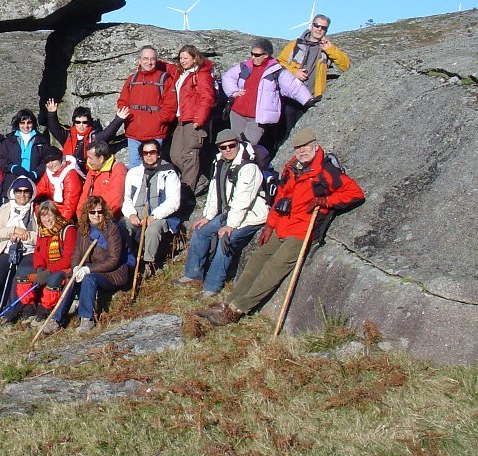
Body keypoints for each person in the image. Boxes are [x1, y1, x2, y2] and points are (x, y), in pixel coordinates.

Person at [197, 130, 365, 326]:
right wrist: (270, 225)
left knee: (273, 269)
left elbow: (355, 193)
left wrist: (326, 200)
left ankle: (238, 309)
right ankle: (228, 302)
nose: (302, 151)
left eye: (306, 147)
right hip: (283, 226)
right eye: (298, 148)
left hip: (303, 233)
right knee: (256, 261)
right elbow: (281, 198)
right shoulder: (292, 168)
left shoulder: (326, 171)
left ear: (315, 146)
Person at [175, 129, 267, 298]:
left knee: (226, 239)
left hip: (251, 216)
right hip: (230, 212)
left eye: (232, 145)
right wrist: (208, 217)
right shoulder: (220, 163)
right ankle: (193, 273)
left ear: (238, 144)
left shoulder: (249, 167)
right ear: (219, 149)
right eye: (223, 147)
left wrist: (230, 225)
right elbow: (214, 191)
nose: (228, 150)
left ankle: (212, 285)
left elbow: (243, 200)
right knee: (201, 231)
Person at [43, 195, 127, 334]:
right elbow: (76, 253)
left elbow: (114, 259)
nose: (96, 215)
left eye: (100, 212)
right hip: (88, 269)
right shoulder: (83, 229)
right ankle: (56, 320)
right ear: (87, 213)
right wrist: (76, 267)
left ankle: (87, 319)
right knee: (71, 279)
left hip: (110, 274)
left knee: (89, 279)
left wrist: (88, 269)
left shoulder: (112, 229)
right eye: (92, 212)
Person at [222, 38, 314, 151]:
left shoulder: (277, 70)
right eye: (252, 54)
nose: (253, 57)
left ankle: (247, 166)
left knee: (249, 146)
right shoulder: (244, 66)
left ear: (266, 55)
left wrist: (308, 100)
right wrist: (233, 92)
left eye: (256, 55)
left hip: (258, 117)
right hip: (237, 113)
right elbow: (227, 77)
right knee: (235, 144)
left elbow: (293, 86)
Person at [0, 177, 39, 324]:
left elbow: (41, 236)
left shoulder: (36, 209)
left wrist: (25, 235)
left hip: (29, 252)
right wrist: (13, 231)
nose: (22, 195)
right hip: (8, 249)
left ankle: (8, 314)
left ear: (31, 193)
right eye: (19, 191)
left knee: (20, 276)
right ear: (13, 192)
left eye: (26, 191)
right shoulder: (5, 209)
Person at [277, 14, 351, 138]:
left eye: (324, 28)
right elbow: (279, 63)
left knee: (305, 136)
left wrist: (330, 50)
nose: (319, 29)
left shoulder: (326, 49)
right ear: (311, 26)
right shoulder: (295, 44)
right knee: (285, 134)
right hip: (291, 98)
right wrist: (295, 72)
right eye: (317, 25)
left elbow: (346, 67)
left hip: (312, 99)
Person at [121, 140, 182, 270]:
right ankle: (129, 259)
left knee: (153, 230)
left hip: (159, 215)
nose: (149, 155)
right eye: (145, 153)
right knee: (122, 226)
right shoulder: (133, 173)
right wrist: (131, 214)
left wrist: (154, 216)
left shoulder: (169, 172)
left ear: (158, 154)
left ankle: (149, 263)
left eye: (152, 152)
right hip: (136, 214)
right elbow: (126, 198)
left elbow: (173, 201)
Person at [14, 201, 77, 325]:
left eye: (50, 215)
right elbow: (38, 254)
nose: (47, 219)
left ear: (56, 215)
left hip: (63, 268)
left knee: (54, 279)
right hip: (47, 268)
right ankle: (28, 308)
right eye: (43, 216)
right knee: (23, 273)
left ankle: (45, 310)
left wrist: (48, 272)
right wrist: (39, 270)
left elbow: (68, 259)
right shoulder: (42, 232)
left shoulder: (68, 230)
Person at [117, 46, 178, 163]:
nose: (149, 62)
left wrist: (157, 120)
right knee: (135, 170)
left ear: (156, 60)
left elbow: (170, 107)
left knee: (153, 168)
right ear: (139, 60)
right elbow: (123, 101)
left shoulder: (164, 79)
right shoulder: (132, 79)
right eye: (145, 58)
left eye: (152, 59)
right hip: (133, 133)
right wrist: (128, 117)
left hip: (154, 133)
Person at [169, 45, 217, 194]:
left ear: (194, 58)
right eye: (181, 58)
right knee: (175, 155)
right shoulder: (183, 73)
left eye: (186, 58)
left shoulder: (201, 74)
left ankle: (187, 192)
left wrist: (199, 119)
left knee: (190, 156)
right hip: (181, 120)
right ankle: (201, 179)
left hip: (194, 120)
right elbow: (169, 67)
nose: (182, 61)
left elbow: (207, 97)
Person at [44, 98, 118, 174]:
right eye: (78, 122)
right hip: (68, 173)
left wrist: (118, 119)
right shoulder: (68, 135)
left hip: (86, 173)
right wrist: (51, 113)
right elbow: (54, 129)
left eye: (84, 122)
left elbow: (107, 134)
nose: (81, 125)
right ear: (74, 122)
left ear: (89, 122)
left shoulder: (93, 137)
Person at [0, 108, 53, 199]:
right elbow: (0, 159)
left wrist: (36, 173)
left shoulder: (41, 140)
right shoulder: (8, 140)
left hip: (34, 181)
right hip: (12, 180)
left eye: (29, 123)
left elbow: (46, 160)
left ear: (33, 123)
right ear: (18, 123)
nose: (26, 126)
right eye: (22, 123)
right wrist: (12, 168)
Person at [77, 140, 127, 217]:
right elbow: (84, 196)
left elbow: (116, 201)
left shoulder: (117, 169)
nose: (88, 161)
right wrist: (81, 217)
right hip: (91, 216)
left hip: (108, 218)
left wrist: (98, 217)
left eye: (90, 158)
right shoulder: (92, 170)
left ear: (101, 158)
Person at [33, 147, 83, 222]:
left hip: (70, 215)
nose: (50, 165)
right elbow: (39, 189)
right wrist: (26, 197)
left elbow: (70, 205)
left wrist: (59, 223)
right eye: (47, 162)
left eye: (53, 160)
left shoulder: (70, 175)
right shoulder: (49, 174)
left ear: (60, 159)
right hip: (54, 210)